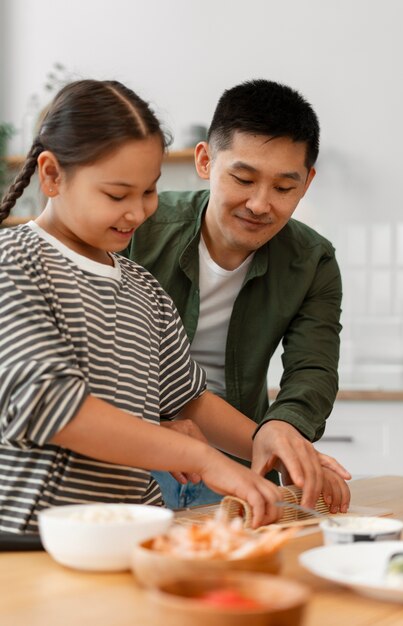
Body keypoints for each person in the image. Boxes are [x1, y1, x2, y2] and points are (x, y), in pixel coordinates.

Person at [0, 78, 296, 535]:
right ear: (52, 174)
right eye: (117, 195)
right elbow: (49, 404)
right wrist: (200, 457)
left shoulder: (142, 287)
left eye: (148, 191)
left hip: (129, 534)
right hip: (31, 537)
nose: (138, 213)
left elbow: (189, 399)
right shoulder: (14, 262)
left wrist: (267, 439)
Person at [127, 78, 351, 512]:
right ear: (205, 160)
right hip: (132, 458)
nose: (260, 204)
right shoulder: (138, 229)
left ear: (306, 183)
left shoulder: (312, 261)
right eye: (243, 178)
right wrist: (157, 426)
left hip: (237, 462)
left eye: (284, 188)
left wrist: (285, 432)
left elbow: (313, 367)